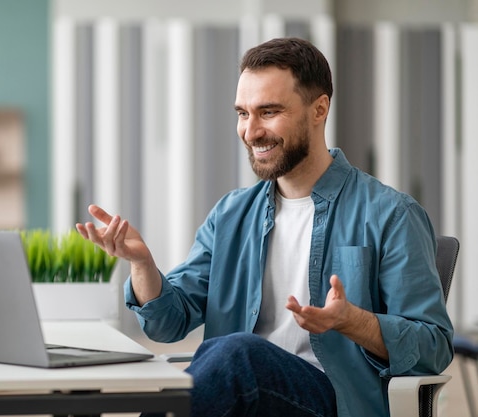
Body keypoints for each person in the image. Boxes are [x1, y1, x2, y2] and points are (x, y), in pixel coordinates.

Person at [75, 37, 454, 417]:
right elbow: (167, 325)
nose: (251, 131)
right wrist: (142, 266)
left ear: (319, 109)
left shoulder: (391, 213)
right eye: (243, 113)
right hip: (241, 393)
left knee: (237, 352)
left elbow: (433, 347)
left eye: (268, 112)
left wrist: (353, 322)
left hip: (334, 402)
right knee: (230, 356)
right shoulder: (230, 214)